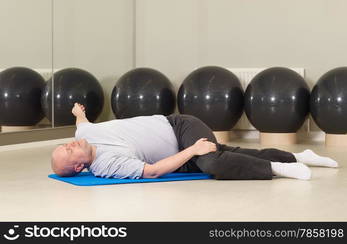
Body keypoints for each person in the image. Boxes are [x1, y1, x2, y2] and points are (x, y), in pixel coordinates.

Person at [51, 103, 339, 180]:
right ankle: (297, 158)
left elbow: (81, 124)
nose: (70, 144)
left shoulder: (84, 134)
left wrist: (79, 113)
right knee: (224, 154)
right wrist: (193, 150)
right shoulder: (106, 165)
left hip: (179, 126)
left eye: (65, 144)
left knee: (212, 161)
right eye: (67, 151)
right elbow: (151, 171)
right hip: (180, 154)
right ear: (79, 168)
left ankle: (279, 169)